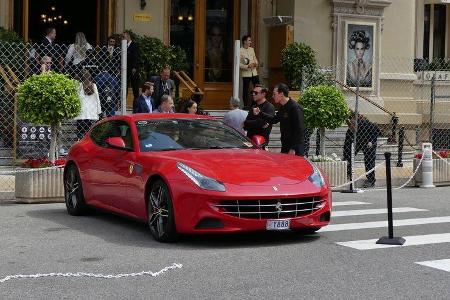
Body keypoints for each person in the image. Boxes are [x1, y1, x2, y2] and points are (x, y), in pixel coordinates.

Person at [253, 83, 305, 156]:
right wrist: (260, 113)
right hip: (285, 145)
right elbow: (274, 119)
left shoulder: (295, 108)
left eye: (274, 94)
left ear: (281, 94)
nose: (272, 96)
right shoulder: (283, 107)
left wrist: (293, 148)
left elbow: (299, 129)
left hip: (295, 148)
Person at [343, 112, 380, 188]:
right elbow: (346, 145)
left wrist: (372, 141)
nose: (351, 125)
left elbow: (376, 130)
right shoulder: (350, 130)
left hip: (368, 141)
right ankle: (349, 173)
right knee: (349, 156)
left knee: (369, 160)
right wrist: (346, 156)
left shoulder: (366, 124)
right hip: (358, 141)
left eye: (353, 123)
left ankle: (371, 180)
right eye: (350, 124)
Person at [243, 84, 275, 148]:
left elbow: (262, 123)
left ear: (263, 94)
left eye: (256, 93)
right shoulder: (254, 106)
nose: (253, 94)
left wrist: (251, 123)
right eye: (252, 92)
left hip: (261, 143)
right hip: (250, 142)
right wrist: (257, 123)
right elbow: (245, 124)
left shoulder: (269, 107)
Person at [74, 69, 102, 140]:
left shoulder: (78, 86)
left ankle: (79, 141)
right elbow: (97, 99)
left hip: (81, 112)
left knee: (79, 130)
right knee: (88, 130)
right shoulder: (93, 85)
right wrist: (99, 111)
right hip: (91, 112)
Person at [240, 35, 259, 108]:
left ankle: (254, 104)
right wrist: (247, 66)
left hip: (254, 72)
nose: (250, 42)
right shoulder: (240, 50)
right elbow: (239, 64)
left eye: (250, 40)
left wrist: (256, 63)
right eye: (249, 40)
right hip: (246, 74)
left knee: (258, 88)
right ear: (245, 41)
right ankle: (245, 106)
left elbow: (255, 59)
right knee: (245, 90)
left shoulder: (252, 49)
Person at [123, 31, 140, 99]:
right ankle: (123, 105)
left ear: (128, 37)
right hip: (125, 70)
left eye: (124, 37)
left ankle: (136, 107)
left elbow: (136, 57)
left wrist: (134, 67)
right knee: (125, 87)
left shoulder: (134, 45)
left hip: (133, 70)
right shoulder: (123, 45)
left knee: (135, 89)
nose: (123, 38)